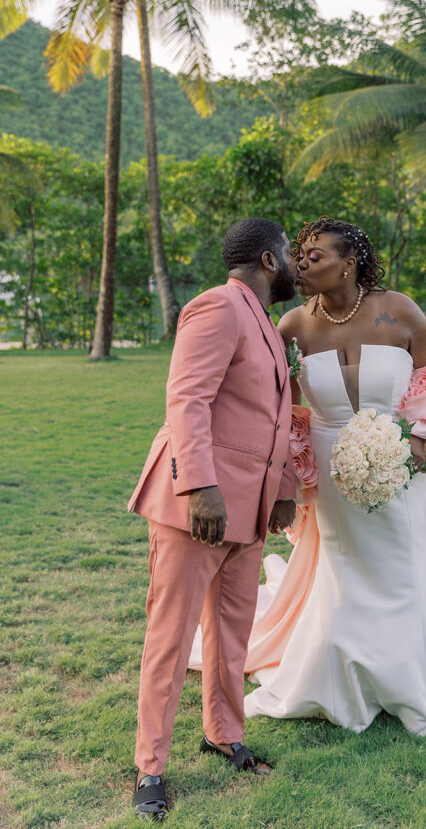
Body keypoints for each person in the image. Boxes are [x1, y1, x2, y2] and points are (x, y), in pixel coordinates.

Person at [241, 218, 426, 736]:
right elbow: (279, 411)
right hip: (332, 469)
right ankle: (337, 670)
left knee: (401, 562)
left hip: (399, 462)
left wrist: (420, 439)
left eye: (314, 256)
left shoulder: (400, 311)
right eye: (300, 255)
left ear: (348, 265)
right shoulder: (291, 328)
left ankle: (411, 674)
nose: (300, 264)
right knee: (343, 567)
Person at [127, 217, 298, 821]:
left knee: (231, 634)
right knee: (171, 639)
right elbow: (187, 399)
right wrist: (199, 486)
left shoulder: (271, 328)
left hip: (249, 509)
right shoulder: (218, 307)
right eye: (290, 253)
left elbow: (279, 418)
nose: (298, 264)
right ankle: (150, 767)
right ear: (270, 261)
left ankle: (224, 732)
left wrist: (284, 489)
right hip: (198, 508)